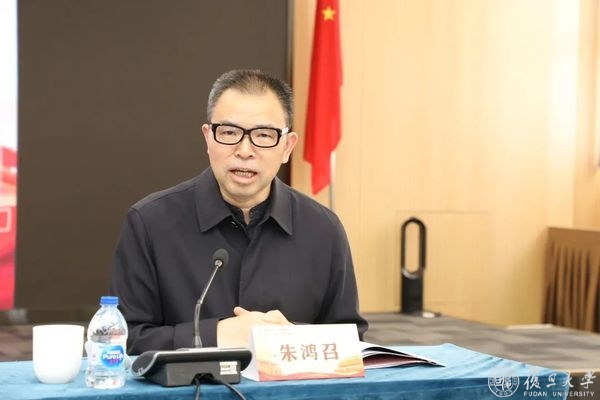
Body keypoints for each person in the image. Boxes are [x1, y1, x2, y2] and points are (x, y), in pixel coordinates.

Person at [109, 69, 368, 354]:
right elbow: (124, 339)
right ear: (208, 138)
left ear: (287, 147)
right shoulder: (150, 223)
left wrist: (288, 337)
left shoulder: (323, 229)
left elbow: (351, 341)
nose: (244, 150)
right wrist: (216, 334)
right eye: (230, 132)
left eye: (264, 135)